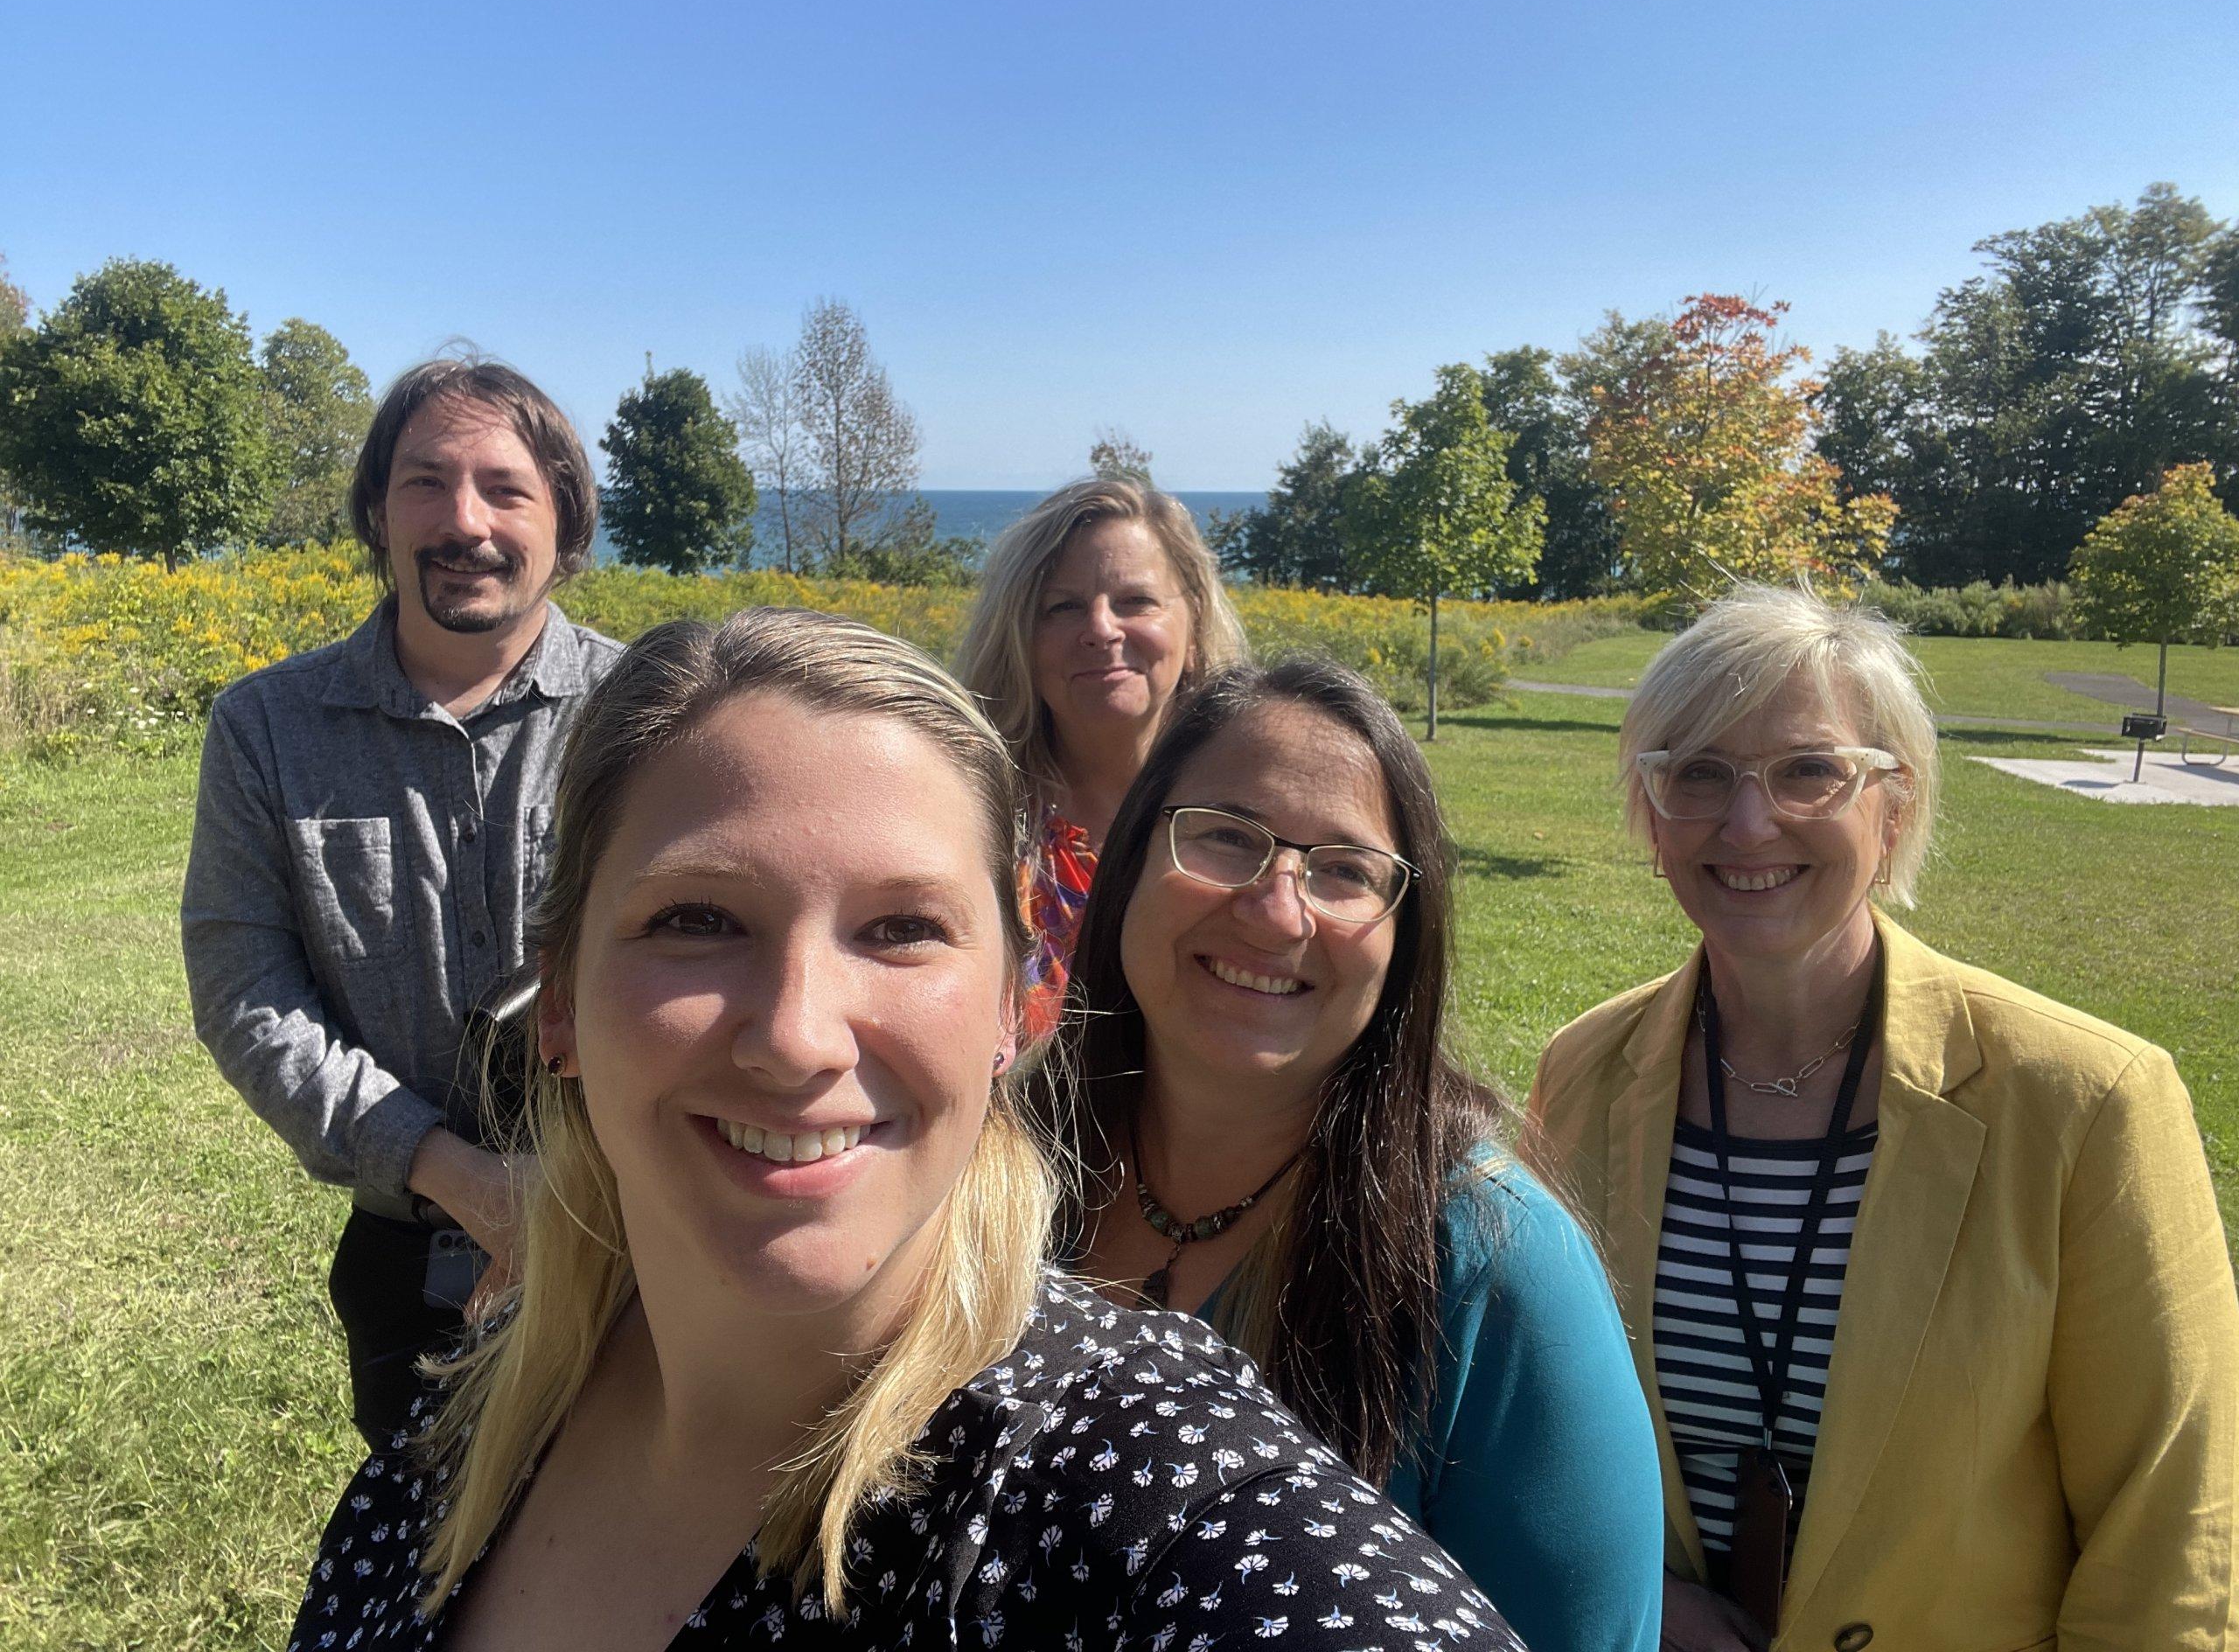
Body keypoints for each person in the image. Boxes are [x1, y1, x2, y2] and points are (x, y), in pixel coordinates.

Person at [284, 609, 1522, 1651]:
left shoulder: (1145, 1496)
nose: (799, 1035)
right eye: (698, 920)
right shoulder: (459, 1440)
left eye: (902, 930)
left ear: (1015, 1007)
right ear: (560, 1003)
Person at [1524, 582, 2239, 1652]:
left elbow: (2171, 1528)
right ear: (1649, 808)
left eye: (1809, 770)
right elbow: (1543, 1436)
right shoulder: (1584, 1073)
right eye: (1698, 774)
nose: (1747, 821)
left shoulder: (2085, 1101)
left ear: (1895, 804)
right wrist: (1648, 1601)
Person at [1045, 656, 1665, 1652]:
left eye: (1344, 871)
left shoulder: (1496, 1269)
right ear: (1129, 862)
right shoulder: (987, 1168)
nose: (1277, 909)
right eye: (1224, 836)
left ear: (1403, 938)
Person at [181, 358, 620, 1446]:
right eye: (424, 482)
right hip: (408, 1254)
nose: (462, 520)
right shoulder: (266, 729)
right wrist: (459, 1176)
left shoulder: (653, 711)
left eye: (506, 488)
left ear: (564, 521)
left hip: (641, 1232)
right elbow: (249, 996)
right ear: (377, 512)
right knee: (431, 1574)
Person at [955, 478, 1245, 1032]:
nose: (1100, 629)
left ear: (1196, 624)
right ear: (1019, 637)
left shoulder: (1254, 822)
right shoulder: (968, 821)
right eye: (1062, 607)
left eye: (1136, 601)